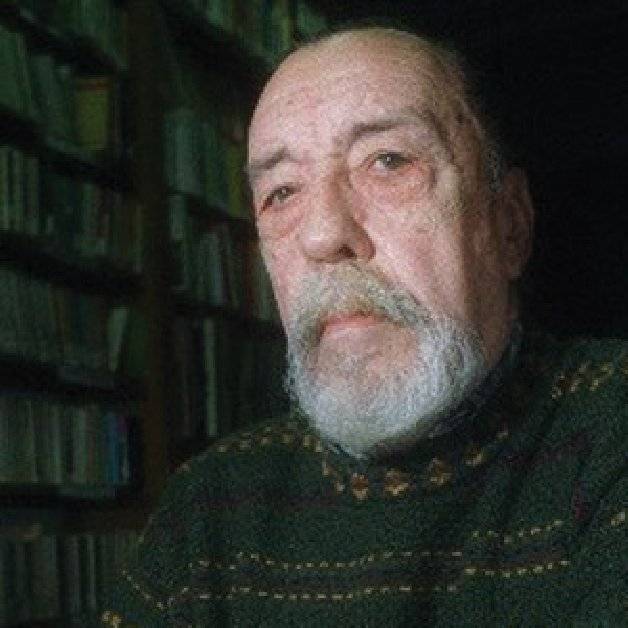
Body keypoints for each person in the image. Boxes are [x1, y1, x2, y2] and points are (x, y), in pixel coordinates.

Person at [101, 26, 627, 627]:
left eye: (388, 162)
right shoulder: (205, 511)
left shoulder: (612, 427)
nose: (323, 235)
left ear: (509, 226)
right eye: (281, 193)